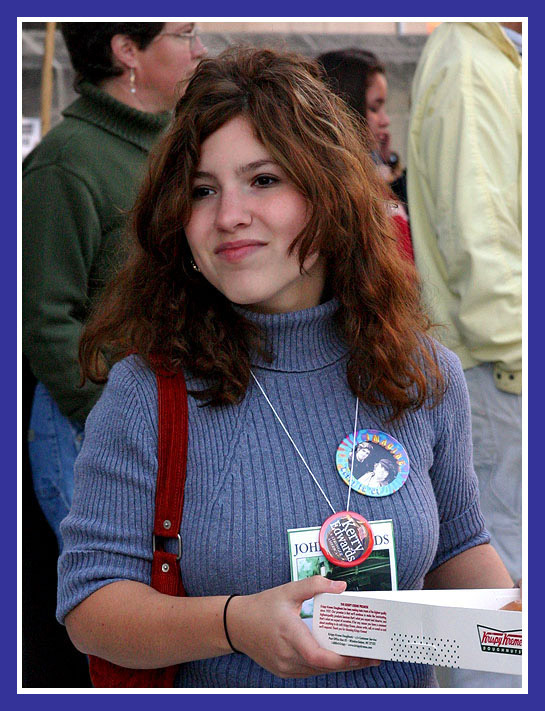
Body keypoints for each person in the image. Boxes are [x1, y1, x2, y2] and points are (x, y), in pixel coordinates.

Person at [57, 47, 515, 689]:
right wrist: (233, 624)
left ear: (329, 193)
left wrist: (517, 640)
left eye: (263, 180)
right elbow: (91, 608)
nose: (229, 215)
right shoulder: (148, 392)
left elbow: (458, 546)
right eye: (202, 190)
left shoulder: (420, 373)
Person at [22, 22, 207, 550]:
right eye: (184, 34)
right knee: (116, 604)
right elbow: (44, 317)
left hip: (167, 417)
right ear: (127, 51)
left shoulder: (176, 146)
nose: (200, 49)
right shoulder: (66, 162)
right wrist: (105, 416)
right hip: (92, 426)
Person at [406, 22, 522, 688]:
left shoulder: (493, 56)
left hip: (499, 362)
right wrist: (516, 354)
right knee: (497, 586)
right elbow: (476, 232)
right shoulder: (469, 59)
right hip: (499, 368)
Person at [317, 48, 413, 262]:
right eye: (374, 108)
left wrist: (389, 165)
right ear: (347, 109)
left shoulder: (374, 172)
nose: (385, 119)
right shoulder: (342, 193)